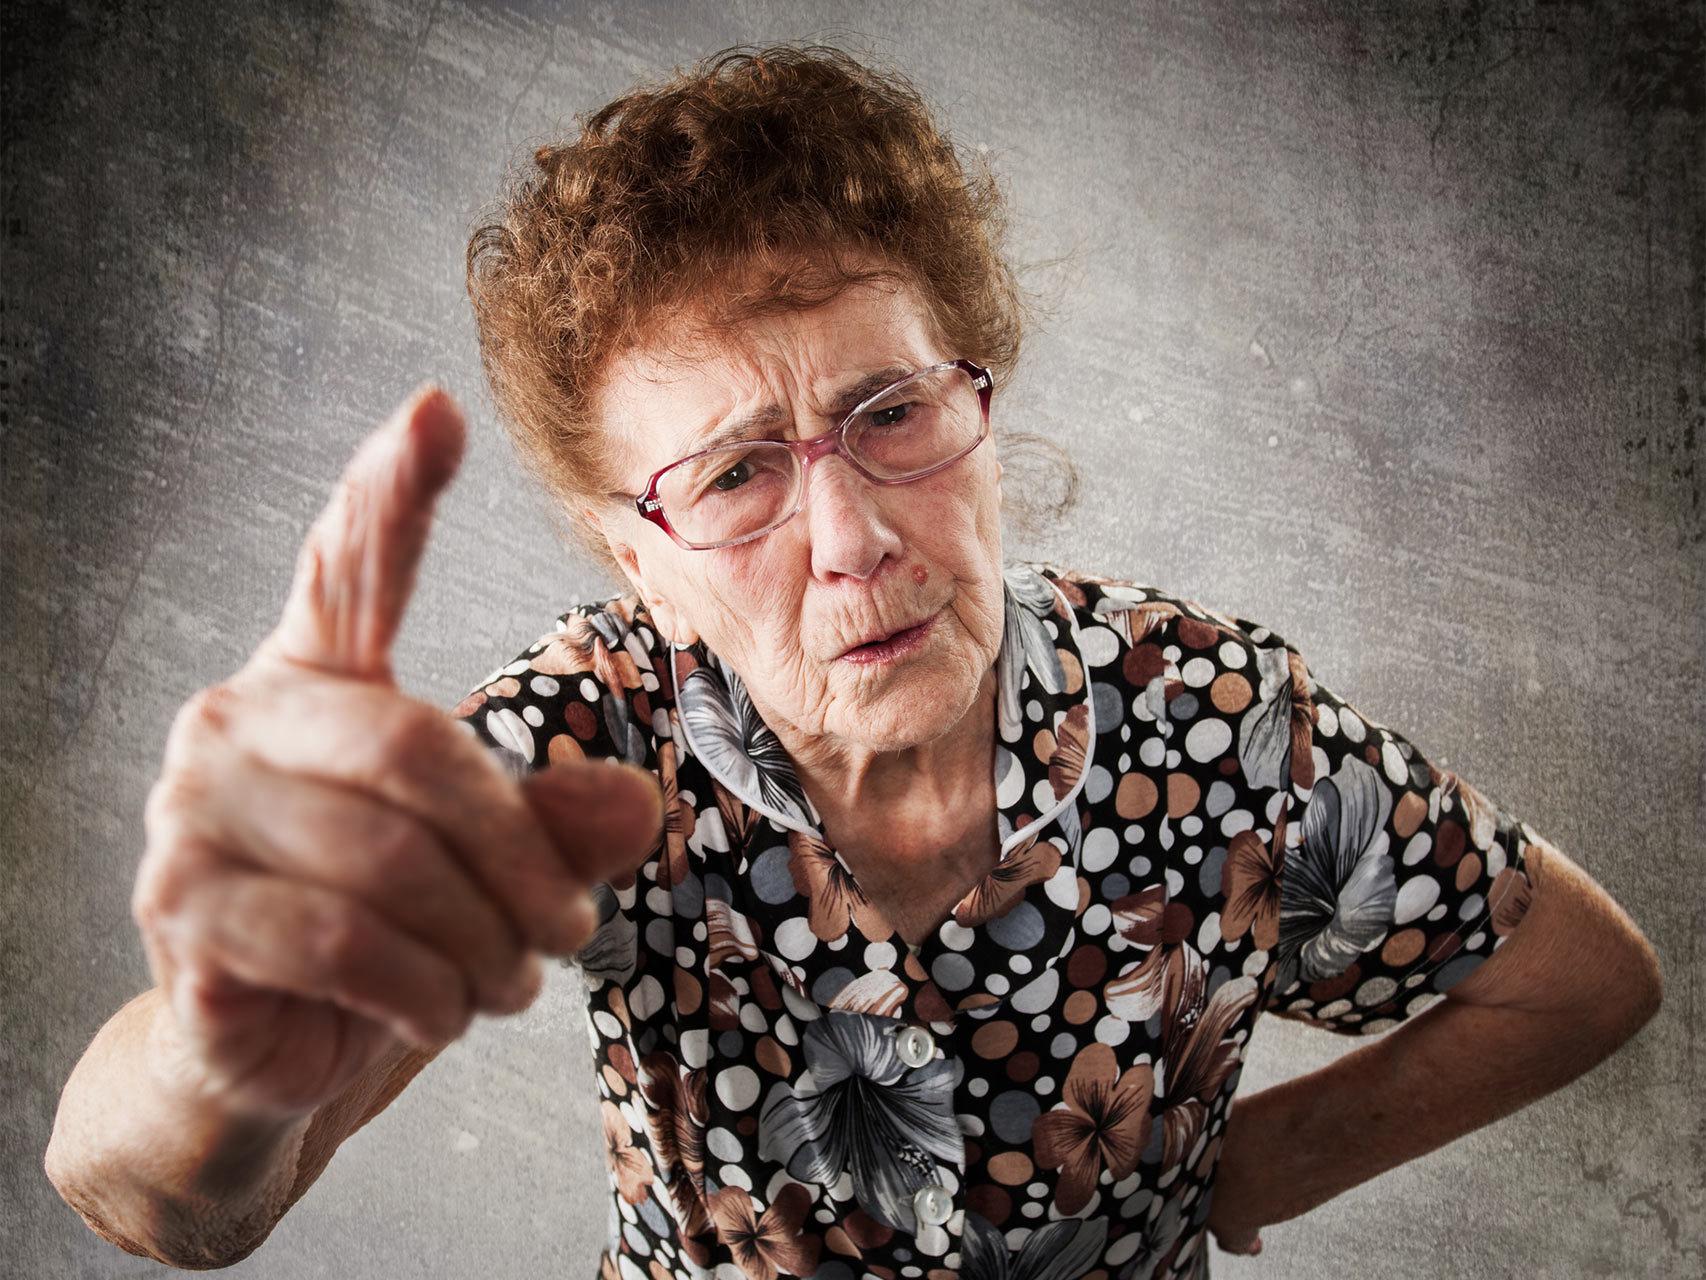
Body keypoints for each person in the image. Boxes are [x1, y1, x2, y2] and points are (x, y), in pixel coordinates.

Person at [45, 42, 1662, 1280]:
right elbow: (167, 1204)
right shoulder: (590, 752)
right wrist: (223, 1021)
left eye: (888, 415)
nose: (850, 540)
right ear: (640, 559)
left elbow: (1584, 978)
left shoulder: (1212, 719)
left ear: (979, 408)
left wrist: (1273, 1160)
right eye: (736, 474)